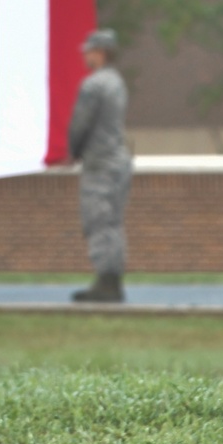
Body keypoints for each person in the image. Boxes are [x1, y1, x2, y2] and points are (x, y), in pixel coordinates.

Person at [68, 29, 132, 304]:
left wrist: (73, 151)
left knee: (98, 220)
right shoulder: (117, 82)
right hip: (119, 160)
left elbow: (81, 123)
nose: (85, 55)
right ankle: (112, 280)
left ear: (101, 52)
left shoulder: (93, 85)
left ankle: (106, 283)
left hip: (100, 162)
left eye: (89, 50)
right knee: (113, 222)